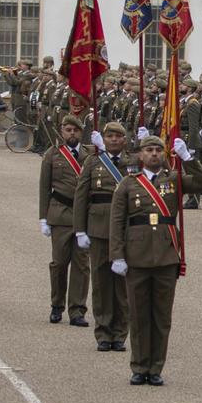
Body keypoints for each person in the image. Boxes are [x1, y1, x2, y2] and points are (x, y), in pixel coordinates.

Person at [107, 133, 202, 385]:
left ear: (163, 154)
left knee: (162, 317)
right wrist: (117, 256)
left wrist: (188, 158)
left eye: (157, 150)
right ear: (140, 155)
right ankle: (139, 366)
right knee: (139, 315)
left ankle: (156, 368)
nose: (154, 154)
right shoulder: (128, 184)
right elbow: (117, 223)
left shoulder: (173, 179)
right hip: (136, 257)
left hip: (165, 257)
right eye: (149, 150)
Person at [73, 121, 134, 353]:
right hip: (98, 228)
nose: (114, 140)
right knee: (101, 283)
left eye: (119, 136)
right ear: (103, 139)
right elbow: (81, 197)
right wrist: (80, 229)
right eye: (110, 136)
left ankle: (120, 333)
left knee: (122, 285)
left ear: (125, 139)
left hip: (126, 230)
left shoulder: (134, 162)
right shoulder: (93, 162)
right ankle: (103, 332)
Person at [38, 114, 92, 326]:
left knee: (81, 265)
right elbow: (44, 188)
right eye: (68, 130)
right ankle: (56, 305)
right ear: (62, 131)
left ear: (81, 132)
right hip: (60, 213)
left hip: (83, 217)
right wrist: (43, 217)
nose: (72, 134)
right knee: (59, 263)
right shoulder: (52, 155)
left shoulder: (90, 155)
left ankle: (77, 310)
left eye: (75, 130)